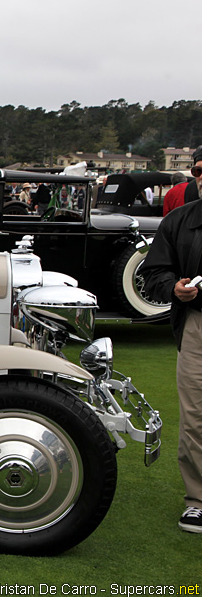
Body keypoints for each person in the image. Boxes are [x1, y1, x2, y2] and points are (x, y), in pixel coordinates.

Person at [139, 199, 202, 533]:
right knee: (196, 417)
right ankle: (199, 502)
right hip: (197, 324)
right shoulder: (180, 220)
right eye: (198, 170)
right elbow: (154, 273)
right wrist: (174, 289)